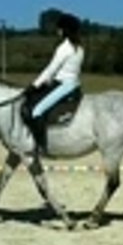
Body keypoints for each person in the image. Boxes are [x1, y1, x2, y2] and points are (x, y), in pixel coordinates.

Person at [27, 12, 84, 153]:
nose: (57, 30)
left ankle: (41, 147)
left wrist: (34, 85)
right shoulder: (79, 48)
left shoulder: (64, 48)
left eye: (60, 28)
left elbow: (51, 69)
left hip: (64, 86)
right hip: (75, 85)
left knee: (36, 111)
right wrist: (47, 82)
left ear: (65, 30)